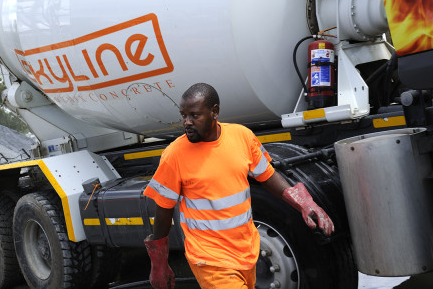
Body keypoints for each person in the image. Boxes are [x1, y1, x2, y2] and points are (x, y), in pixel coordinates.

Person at [143, 83, 334, 289]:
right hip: (210, 258)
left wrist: (303, 203)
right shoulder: (174, 155)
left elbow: (267, 175)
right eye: (183, 115)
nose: (187, 122)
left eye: (194, 115)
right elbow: (163, 209)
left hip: (247, 251)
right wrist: (159, 264)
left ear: (214, 111)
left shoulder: (242, 136)